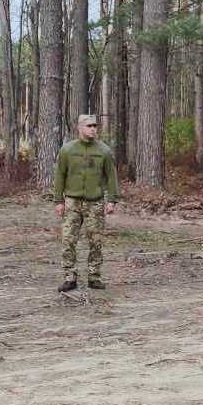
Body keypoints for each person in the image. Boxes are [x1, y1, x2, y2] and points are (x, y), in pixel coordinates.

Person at [53, 114, 119, 292]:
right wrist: (58, 200)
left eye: (95, 126)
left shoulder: (103, 151)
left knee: (95, 241)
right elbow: (60, 175)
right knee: (68, 240)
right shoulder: (67, 150)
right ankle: (69, 277)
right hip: (72, 202)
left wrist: (112, 200)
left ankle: (94, 277)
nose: (93, 129)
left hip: (95, 203)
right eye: (89, 126)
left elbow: (111, 177)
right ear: (80, 127)